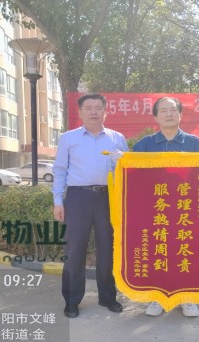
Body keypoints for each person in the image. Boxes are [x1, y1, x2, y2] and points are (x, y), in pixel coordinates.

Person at [52, 93, 129, 318]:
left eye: (98, 107)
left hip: (108, 198)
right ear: (80, 112)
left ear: (106, 111)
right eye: (89, 108)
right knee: (74, 250)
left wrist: (122, 163)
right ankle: (72, 300)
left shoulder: (117, 138)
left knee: (109, 249)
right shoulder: (68, 138)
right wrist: (58, 201)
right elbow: (60, 170)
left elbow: (127, 171)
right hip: (78, 198)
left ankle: (108, 297)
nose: (94, 111)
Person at [133, 96, 199, 317]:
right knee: (158, 251)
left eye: (173, 110)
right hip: (155, 210)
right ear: (156, 117)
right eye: (163, 111)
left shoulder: (195, 144)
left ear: (180, 114)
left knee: (186, 252)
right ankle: (157, 297)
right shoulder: (144, 145)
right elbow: (133, 175)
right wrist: (120, 161)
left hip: (186, 210)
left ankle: (187, 297)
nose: (169, 114)